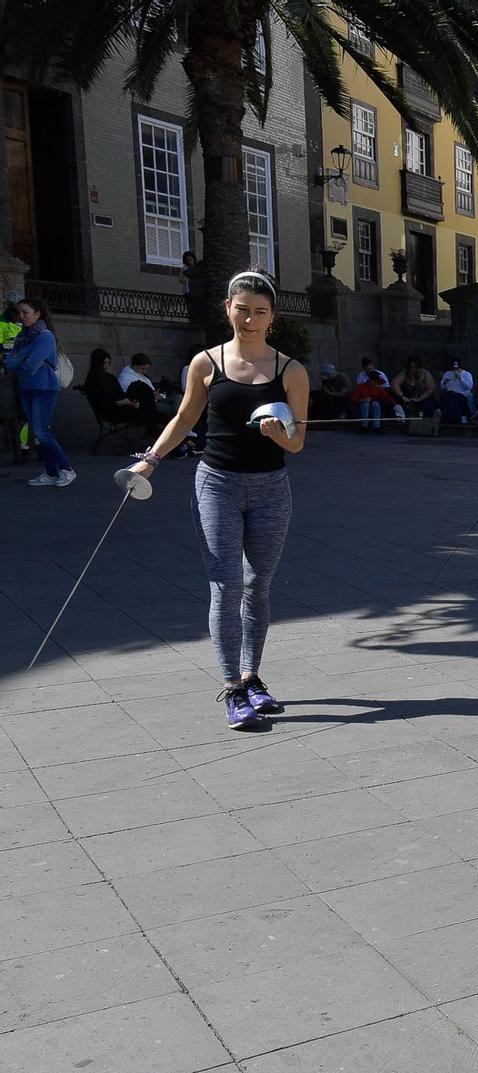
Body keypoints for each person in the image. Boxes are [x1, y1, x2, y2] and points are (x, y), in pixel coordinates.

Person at [129, 271, 311, 730]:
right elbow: (185, 417)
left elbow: (298, 444)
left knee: (258, 585)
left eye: (260, 312)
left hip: (271, 488)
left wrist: (280, 434)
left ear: (273, 317)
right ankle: (232, 686)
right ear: (227, 308)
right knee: (226, 585)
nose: (250, 319)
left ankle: (253, 677)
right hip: (217, 484)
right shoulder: (206, 363)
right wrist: (149, 459)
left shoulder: (291, 370)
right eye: (242, 308)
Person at [4, 297, 73, 486]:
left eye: (25, 312)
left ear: (37, 314)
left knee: (41, 431)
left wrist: (22, 361)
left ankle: (66, 469)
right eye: (19, 313)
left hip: (44, 387)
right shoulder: (21, 336)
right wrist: (23, 361)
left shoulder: (45, 336)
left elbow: (28, 364)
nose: (21, 316)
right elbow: (11, 362)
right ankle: (51, 473)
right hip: (26, 387)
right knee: (38, 431)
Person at [349, 358, 392, 431]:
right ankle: (364, 426)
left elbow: (386, 394)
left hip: (376, 399)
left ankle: (376, 426)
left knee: (375, 404)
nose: (370, 371)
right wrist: (362, 399)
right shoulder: (361, 380)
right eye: (367, 370)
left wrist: (396, 405)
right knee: (365, 404)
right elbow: (354, 396)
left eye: (371, 368)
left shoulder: (380, 376)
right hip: (364, 401)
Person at [394, 356, 439, 421]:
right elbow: (394, 383)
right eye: (411, 367)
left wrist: (420, 398)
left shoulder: (425, 374)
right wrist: (402, 396)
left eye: (415, 367)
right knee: (400, 407)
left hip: (424, 399)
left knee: (428, 406)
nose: (413, 369)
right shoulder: (405, 373)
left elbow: (431, 389)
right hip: (408, 399)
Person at [439, 357, 474, 425]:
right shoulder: (447, 374)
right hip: (449, 394)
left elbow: (469, 387)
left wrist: (461, 379)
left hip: (461, 395)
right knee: (445, 397)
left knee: (454, 398)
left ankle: (457, 419)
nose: (455, 369)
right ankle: (445, 418)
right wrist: (444, 383)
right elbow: (442, 387)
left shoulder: (467, 374)